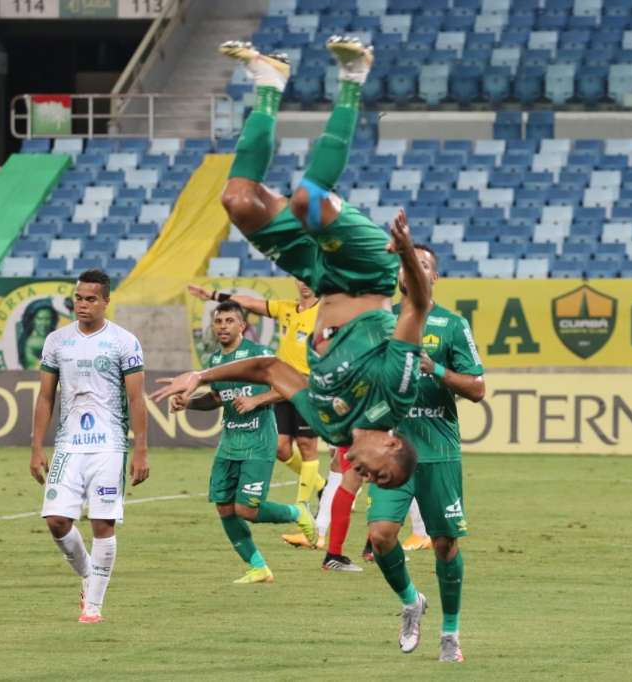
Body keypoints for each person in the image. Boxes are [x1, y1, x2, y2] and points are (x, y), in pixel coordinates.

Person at [151, 37, 431, 489]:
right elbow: (417, 308)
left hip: (320, 279)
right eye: (376, 472)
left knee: (238, 200)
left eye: (368, 479)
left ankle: (267, 80)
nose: (363, 474)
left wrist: (200, 374)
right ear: (393, 445)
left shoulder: (329, 425)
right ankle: (354, 75)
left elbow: (266, 369)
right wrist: (408, 258)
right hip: (366, 276)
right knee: (307, 200)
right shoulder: (395, 397)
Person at [368, 244, 485, 662]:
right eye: (407, 264)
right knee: (380, 537)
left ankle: (450, 634)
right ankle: (410, 601)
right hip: (391, 452)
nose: (413, 270)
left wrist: (434, 368)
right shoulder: (381, 324)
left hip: (437, 452)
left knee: (444, 545)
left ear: (434, 277)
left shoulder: (452, 325)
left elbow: (477, 388)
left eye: (423, 265)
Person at [29, 269, 149, 624]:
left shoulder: (124, 342)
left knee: (102, 525)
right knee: (55, 521)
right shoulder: (56, 341)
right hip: (68, 445)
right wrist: (37, 446)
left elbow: (137, 400)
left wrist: (140, 449)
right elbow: (45, 397)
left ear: (106, 301)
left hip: (109, 445)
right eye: (78, 298)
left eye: (91, 299)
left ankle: (93, 606)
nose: (82, 304)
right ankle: (87, 574)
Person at [171, 300, 317, 583]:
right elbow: (216, 398)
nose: (223, 326)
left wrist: (257, 399)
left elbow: (295, 384)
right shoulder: (214, 361)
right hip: (230, 442)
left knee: (247, 509)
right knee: (224, 507)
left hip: (259, 441)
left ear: (242, 326)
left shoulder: (259, 355)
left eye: (229, 321)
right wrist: (187, 403)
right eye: (218, 321)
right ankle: (258, 566)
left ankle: (296, 511)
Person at [186, 279, 325, 509]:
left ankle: (303, 506)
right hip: (281, 382)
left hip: (307, 384)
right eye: (300, 278)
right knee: (281, 448)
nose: (305, 284)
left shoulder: (324, 312)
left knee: (306, 445)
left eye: (310, 279)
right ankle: (321, 484)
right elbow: (249, 302)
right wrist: (213, 295)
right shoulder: (287, 308)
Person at [20, 301, 59, 370]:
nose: (43, 323)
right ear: (33, 320)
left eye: (47, 319)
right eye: (39, 319)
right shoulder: (31, 342)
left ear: (52, 320)